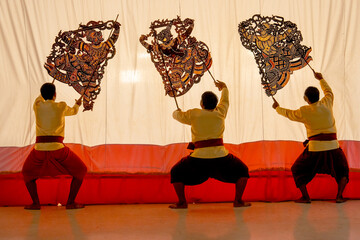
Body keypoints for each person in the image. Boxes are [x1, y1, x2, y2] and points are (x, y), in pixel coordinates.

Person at [170, 80, 251, 208]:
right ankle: (238, 201)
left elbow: (177, 116)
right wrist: (224, 87)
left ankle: (182, 202)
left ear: (202, 103)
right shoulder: (220, 112)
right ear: (215, 104)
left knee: (175, 172)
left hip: (198, 158)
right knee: (243, 171)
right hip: (221, 157)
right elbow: (225, 100)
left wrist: (177, 112)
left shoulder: (194, 114)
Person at [272, 72, 349, 203]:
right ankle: (339, 196)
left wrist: (277, 108)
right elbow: (329, 91)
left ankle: (306, 197)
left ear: (306, 99)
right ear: (318, 96)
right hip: (333, 147)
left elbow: (289, 114)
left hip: (314, 150)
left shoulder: (304, 111)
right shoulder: (327, 102)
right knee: (343, 170)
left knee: (297, 169)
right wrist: (321, 79)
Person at [22, 83, 87, 210]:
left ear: (42, 94)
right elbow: (73, 111)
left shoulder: (37, 105)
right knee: (81, 170)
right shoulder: (61, 106)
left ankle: (36, 204)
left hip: (39, 150)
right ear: (55, 94)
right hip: (58, 150)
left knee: (26, 173)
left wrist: (46, 91)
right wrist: (77, 105)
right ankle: (70, 203)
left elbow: (40, 97)